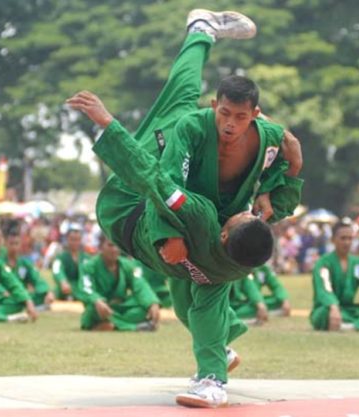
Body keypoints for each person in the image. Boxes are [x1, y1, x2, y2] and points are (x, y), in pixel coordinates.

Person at [67, 9, 302, 408]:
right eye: (224, 114)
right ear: (216, 107)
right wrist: (292, 165)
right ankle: (201, 30)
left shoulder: (210, 204)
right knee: (180, 89)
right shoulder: (213, 131)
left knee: (193, 292)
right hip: (176, 207)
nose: (230, 124)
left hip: (137, 209)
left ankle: (212, 369)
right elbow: (169, 182)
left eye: (240, 117)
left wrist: (108, 123)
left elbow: (158, 186)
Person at [78, 236, 160, 331]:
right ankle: (133, 327)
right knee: (92, 311)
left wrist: (152, 303)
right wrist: (97, 300)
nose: (115, 249)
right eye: (110, 245)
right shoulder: (89, 266)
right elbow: (86, 288)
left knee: (143, 309)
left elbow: (140, 286)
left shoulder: (127, 265)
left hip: (121, 308)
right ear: (100, 247)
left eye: (117, 246)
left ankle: (111, 326)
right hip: (100, 308)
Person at [4, 230, 54, 309]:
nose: (14, 247)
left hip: (23, 295)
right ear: (6, 244)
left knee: (42, 295)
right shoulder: (0, 263)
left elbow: (37, 279)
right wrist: (2, 291)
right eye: (11, 244)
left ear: (20, 245)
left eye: (16, 244)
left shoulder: (24, 263)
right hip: (6, 295)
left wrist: (47, 291)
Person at [51, 227, 90, 300]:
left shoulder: (86, 258)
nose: (75, 242)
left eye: (77, 240)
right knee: (53, 294)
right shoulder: (61, 257)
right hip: (65, 286)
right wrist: (63, 282)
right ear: (67, 239)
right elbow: (57, 270)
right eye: (72, 239)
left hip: (82, 287)